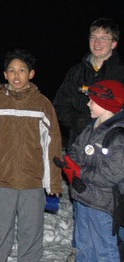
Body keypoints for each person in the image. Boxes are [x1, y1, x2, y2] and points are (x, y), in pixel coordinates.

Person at [0, 49, 62, 261]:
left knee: (31, 230)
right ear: (5, 74)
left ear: (31, 74)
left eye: (22, 70)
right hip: (3, 179)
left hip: (32, 180)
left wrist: (54, 182)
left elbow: (52, 145)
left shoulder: (43, 105)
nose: (16, 75)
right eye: (11, 70)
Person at [58, 79, 124, 261]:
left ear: (105, 103)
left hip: (103, 206)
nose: (88, 103)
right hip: (83, 199)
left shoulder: (118, 134)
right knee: (83, 246)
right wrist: (70, 168)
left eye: (93, 100)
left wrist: (80, 173)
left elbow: (111, 172)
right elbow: (75, 150)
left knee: (104, 249)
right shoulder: (91, 127)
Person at [54, 18, 124, 149]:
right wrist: (77, 120)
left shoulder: (120, 74)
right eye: (93, 37)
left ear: (114, 43)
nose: (97, 43)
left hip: (112, 146)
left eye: (104, 38)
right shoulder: (76, 72)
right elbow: (59, 105)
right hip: (79, 143)